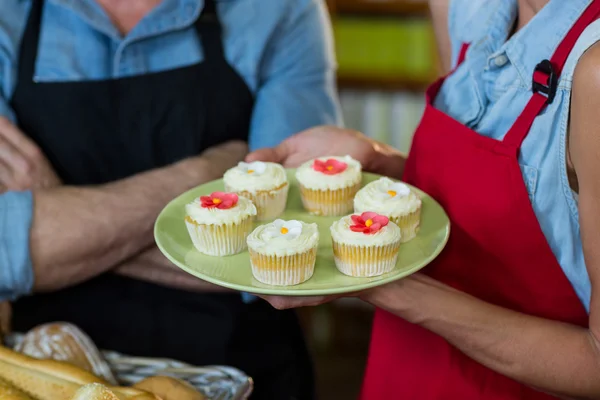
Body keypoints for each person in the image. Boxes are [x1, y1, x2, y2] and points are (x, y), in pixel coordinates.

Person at [247, 0, 600, 398]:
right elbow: (501, 193)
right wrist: (379, 164)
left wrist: (381, 283)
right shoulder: (461, 8)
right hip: (402, 368)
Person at [0, 0, 340, 398]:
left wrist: (56, 218)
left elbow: (283, 254)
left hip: (245, 372)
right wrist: (200, 174)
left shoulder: (278, 10)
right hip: (42, 376)